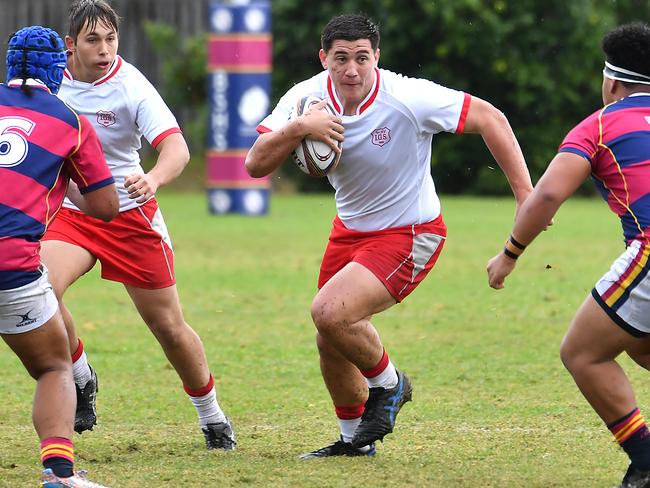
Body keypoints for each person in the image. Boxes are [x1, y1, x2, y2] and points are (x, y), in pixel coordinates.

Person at [246, 13, 534, 458]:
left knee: (330, 312)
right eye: (340, 58)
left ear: (376, 57)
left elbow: (490, 118)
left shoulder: (408, 96)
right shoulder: (305, 98)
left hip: (410, 231)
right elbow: (255, 164)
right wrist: (301, 128)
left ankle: (391, 385)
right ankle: (354, 442)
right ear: (324, 59)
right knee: (331, 336)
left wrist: (525, 196)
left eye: (362, 58)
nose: (352, 70)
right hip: (349, 231)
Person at [39, 0, 236, 450]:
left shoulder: (131, 85)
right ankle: (81, 373)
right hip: (74, 213)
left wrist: (152, 178)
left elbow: (177, 149)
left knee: (168, 326)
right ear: (70, 45)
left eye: (111, 38)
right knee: (40, 289)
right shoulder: (53, 83)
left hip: (130, 215)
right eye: (93, 40)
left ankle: (212, 416)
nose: (105, 49)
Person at [486, 22, 650, 488]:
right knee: (640, 344)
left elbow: (546, 197)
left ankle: (646, 458)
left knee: (582, 353)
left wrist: (509, 254)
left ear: (612, 82)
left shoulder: (600, 124)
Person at [0, 25, 118, 487]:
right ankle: (59, 473)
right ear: (59, 70)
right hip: (12, 264)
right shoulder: (70, 121)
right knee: (53, 366)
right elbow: (106, 208)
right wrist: (62, 183)